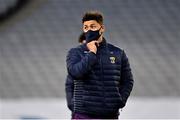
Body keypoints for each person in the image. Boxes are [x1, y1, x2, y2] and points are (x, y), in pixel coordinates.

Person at [66, 11, 134, 119]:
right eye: (86, 27)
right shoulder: (75, 52)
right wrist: (92, 53)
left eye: (93, 26)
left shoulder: (118, 53)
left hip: (110, 115)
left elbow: (128, 80)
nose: (89, 30)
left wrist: (119, 101)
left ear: (102, 28)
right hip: (84, 114)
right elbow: (76, 73)